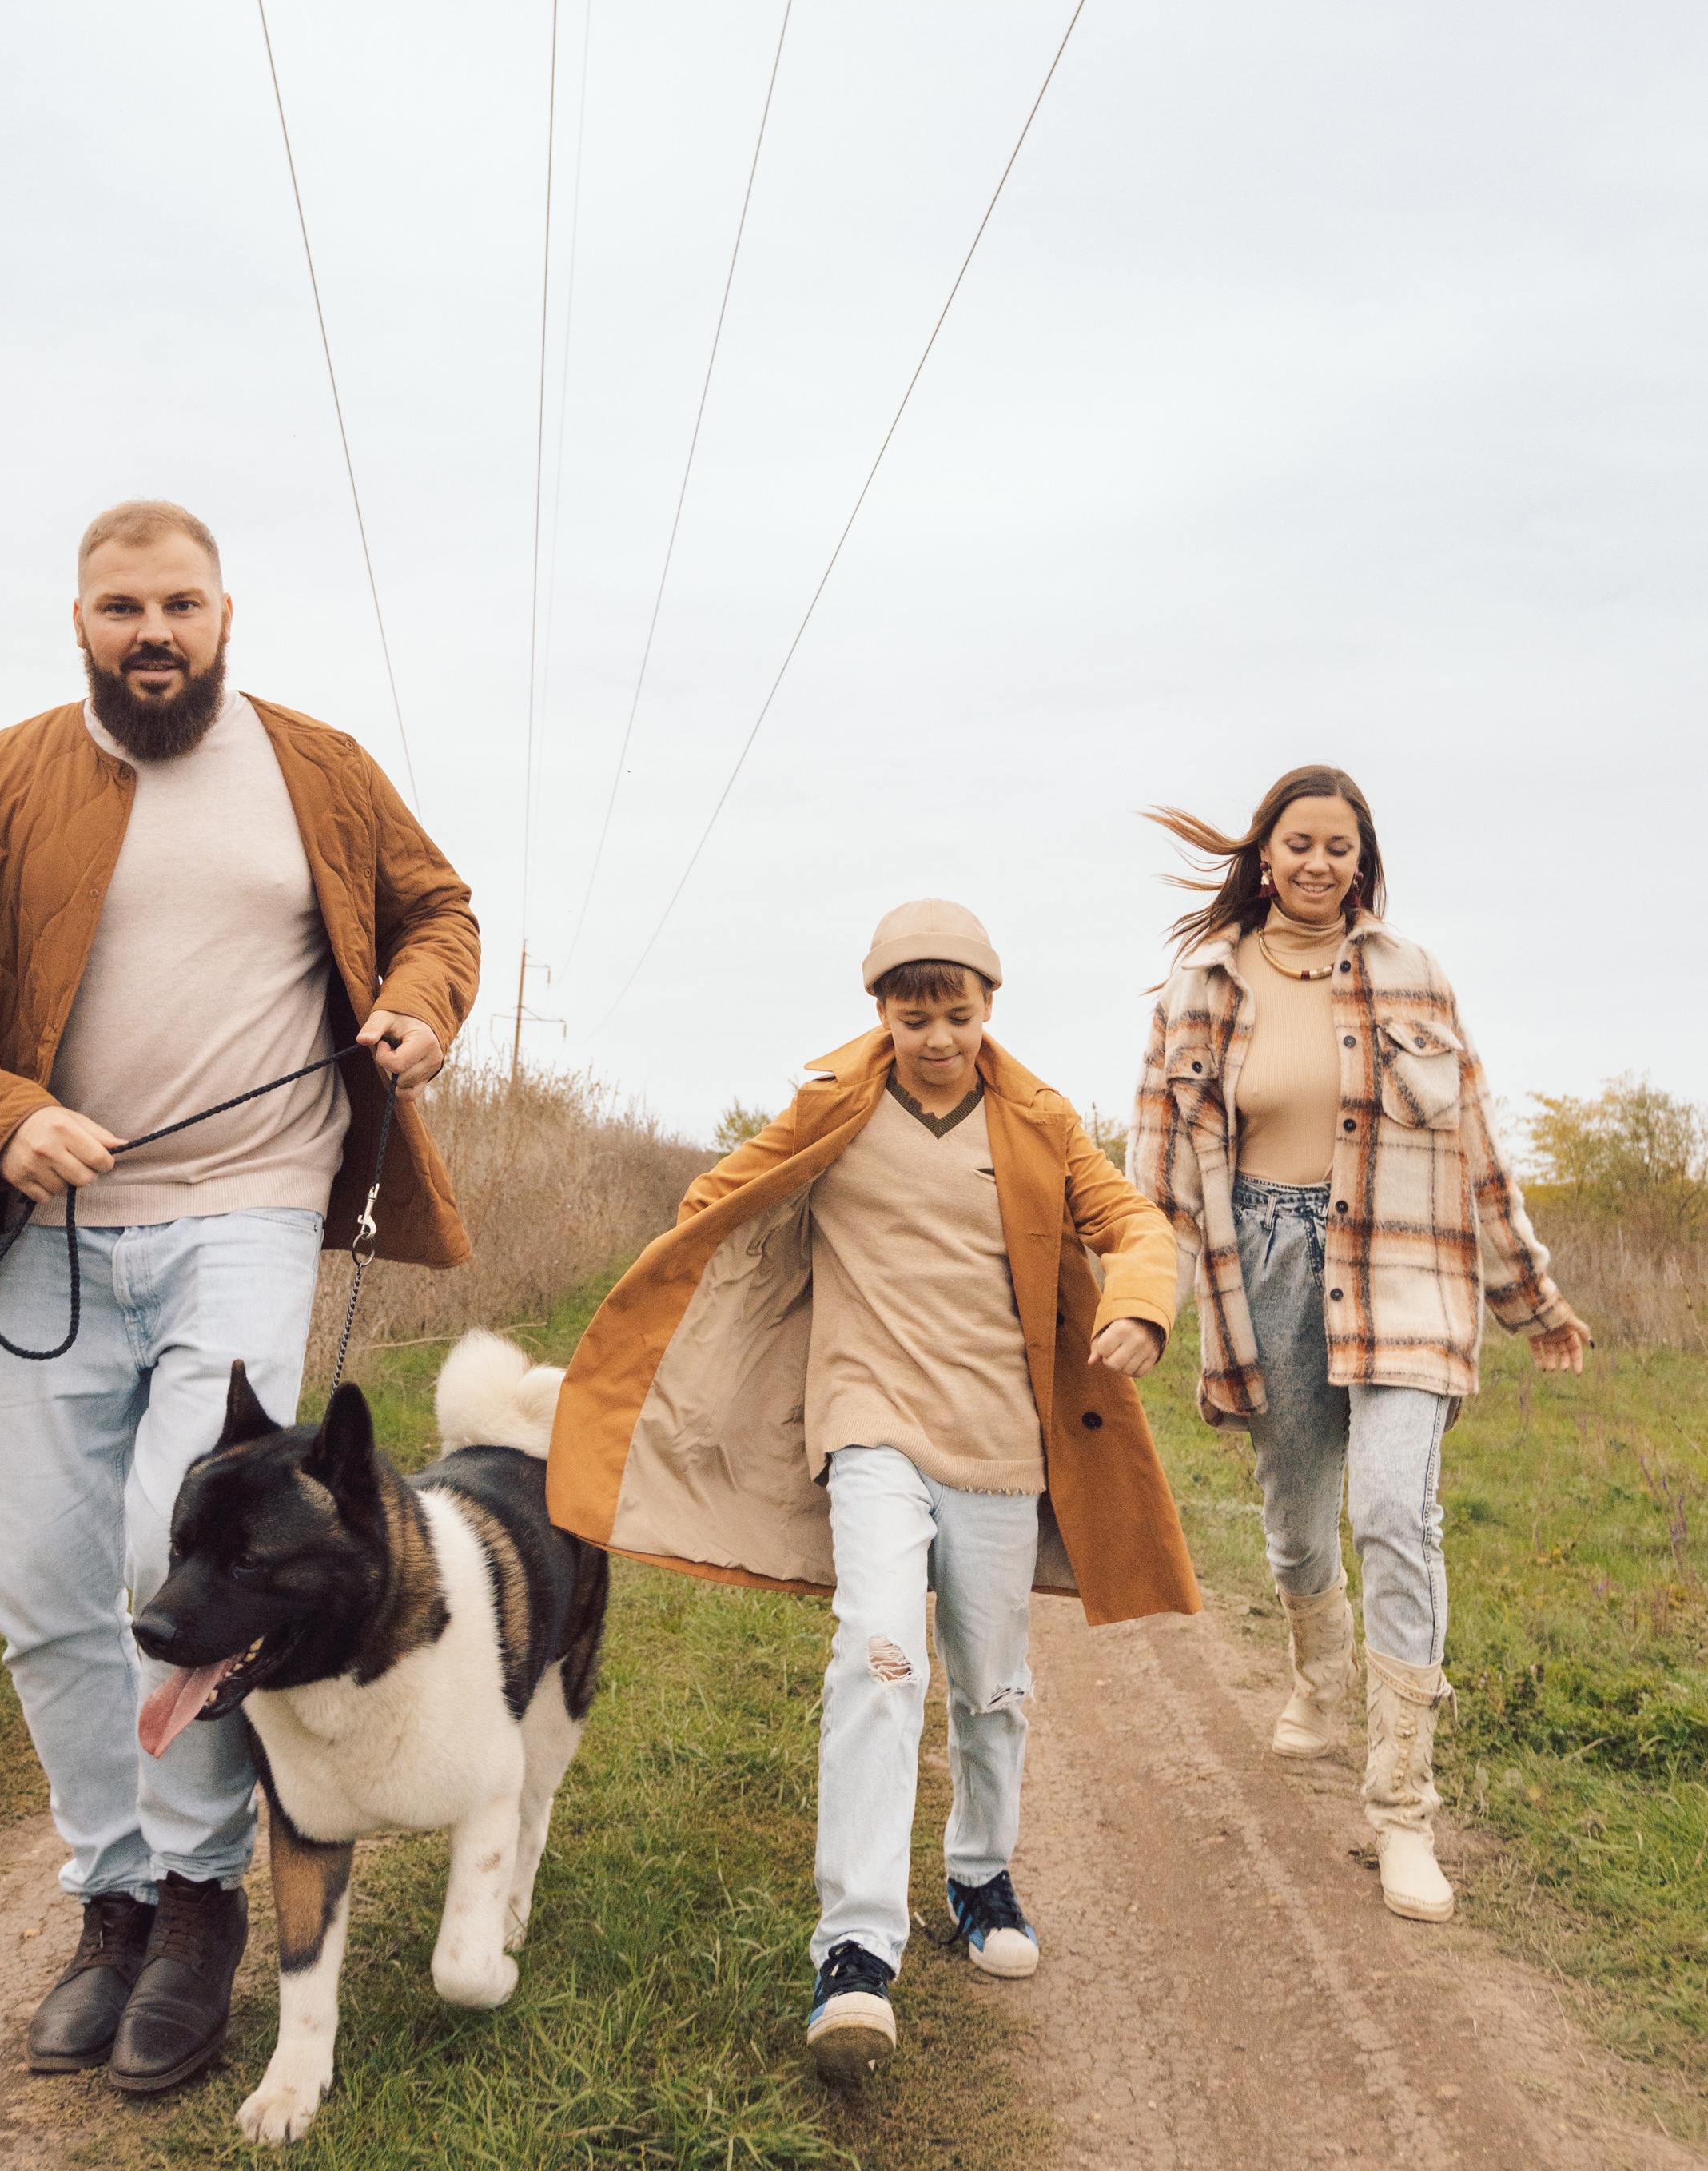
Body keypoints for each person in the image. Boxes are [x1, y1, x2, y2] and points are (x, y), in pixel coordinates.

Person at [0, 500, 480, 2093]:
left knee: (166, 1548)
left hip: (252, 1211)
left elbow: (435, 913)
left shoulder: (317, 767)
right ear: (78, 621)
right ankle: (111, 1903)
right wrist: (2, 1117)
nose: (153, 630)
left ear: (223, 614)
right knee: (46, 1585)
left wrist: (416, 1006)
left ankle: (201, 1899)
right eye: (122, 605)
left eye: (180, 604)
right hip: (52, 1232)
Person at [547, 899, 1197, 2085]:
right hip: (868, 1427)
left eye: (957, 1012)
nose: (937, 1035)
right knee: (879, 1655)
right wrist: (701, 1289)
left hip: (1001, 1442)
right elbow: (719, 1201)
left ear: (990, 1007)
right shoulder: (832, 1106)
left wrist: (1139, 1304)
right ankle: (855, 1949)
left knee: (992, 1683)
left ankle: (978, 1874)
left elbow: (1137, 1225)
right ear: (879, 1010)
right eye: (914, 1013)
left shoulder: (1041, 1121)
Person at [1129, 764, 1592, 1926]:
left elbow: (1479, 1149)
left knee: (1395, 1509)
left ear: (1363, 859)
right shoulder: (1197, 990)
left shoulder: (1415, 977)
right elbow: (1156, 1184)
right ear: (1265, 853)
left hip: (1405, 1268)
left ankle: (1402, 1811)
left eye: (1341, 846)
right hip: (1267, 1269)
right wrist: (1138, 1304)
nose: (1318, 863)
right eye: (1299, 843)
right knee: (1295, 1522)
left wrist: (1531, 1296)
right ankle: (1315, 1670)